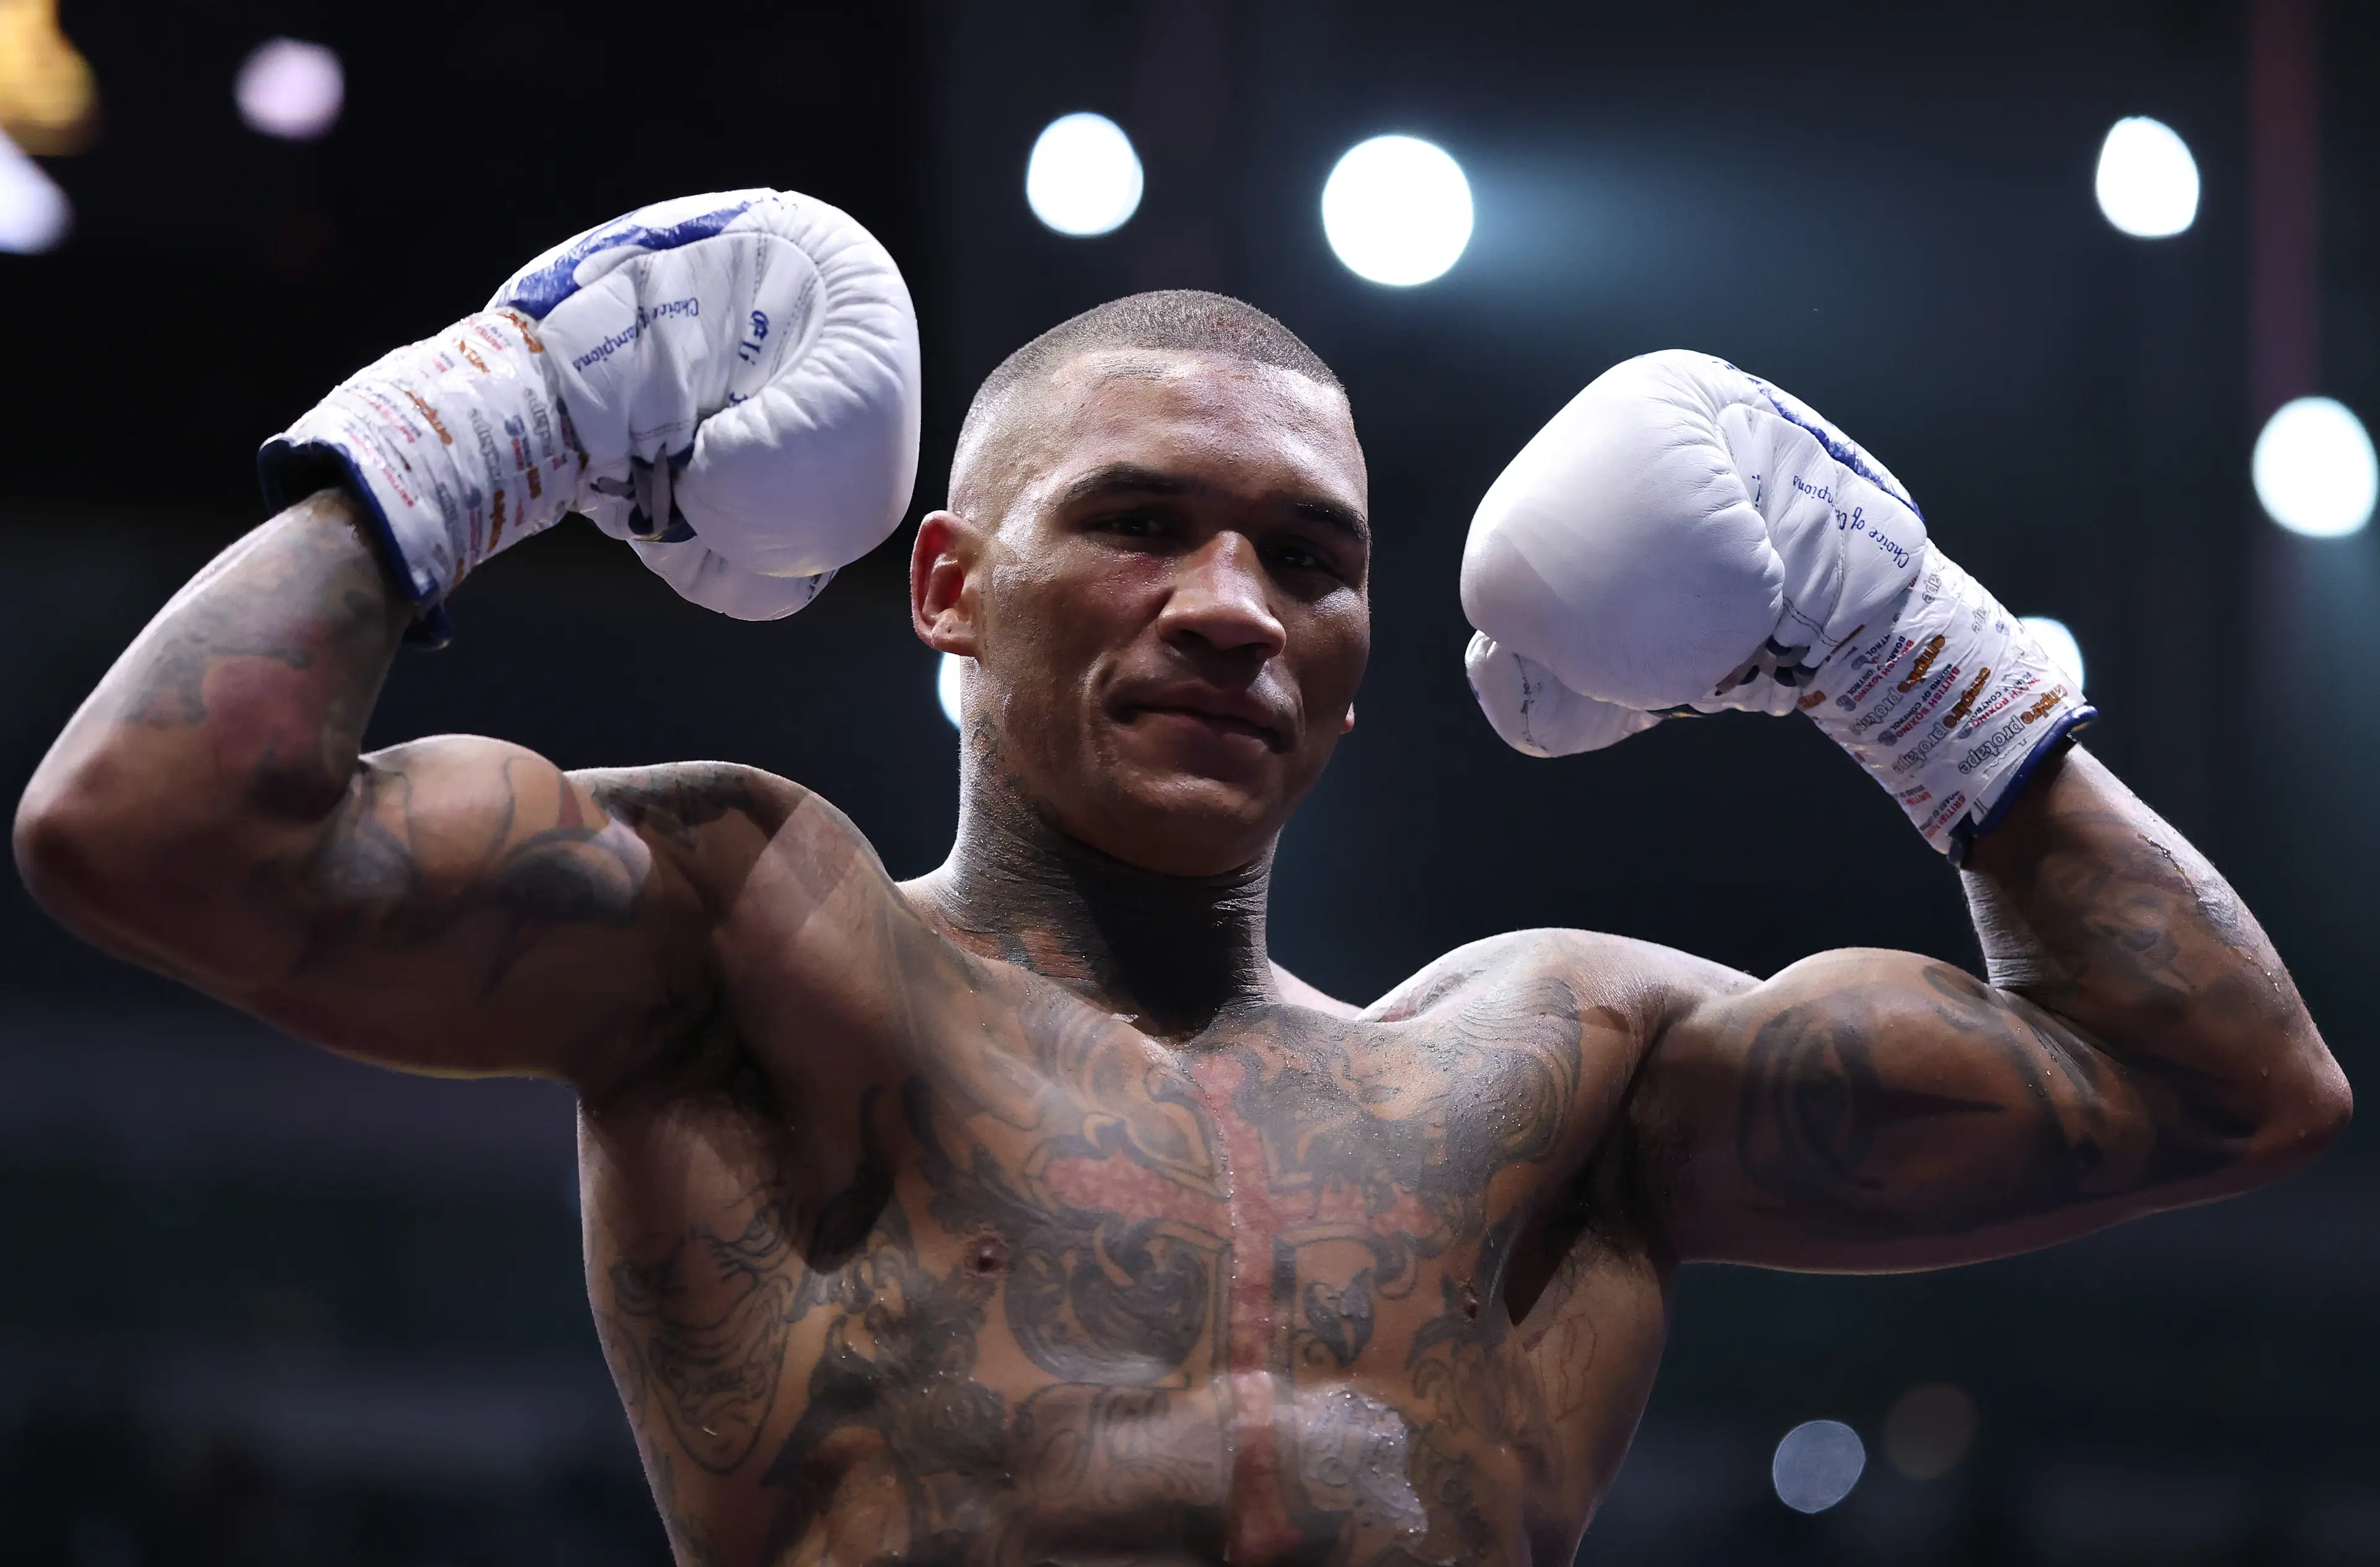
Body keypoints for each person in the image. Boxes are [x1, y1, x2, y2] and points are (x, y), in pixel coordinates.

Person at [14, 188, 2350, 1567]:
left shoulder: (1556, 1079)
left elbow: (2227, 1083)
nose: (1234, 604)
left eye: (1311, 558)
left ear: (1361, 648)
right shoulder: (757, 946)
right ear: (944, 585)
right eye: (1139, 522)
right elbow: (151, 829)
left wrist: (1909, 652)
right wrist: (488, 415)